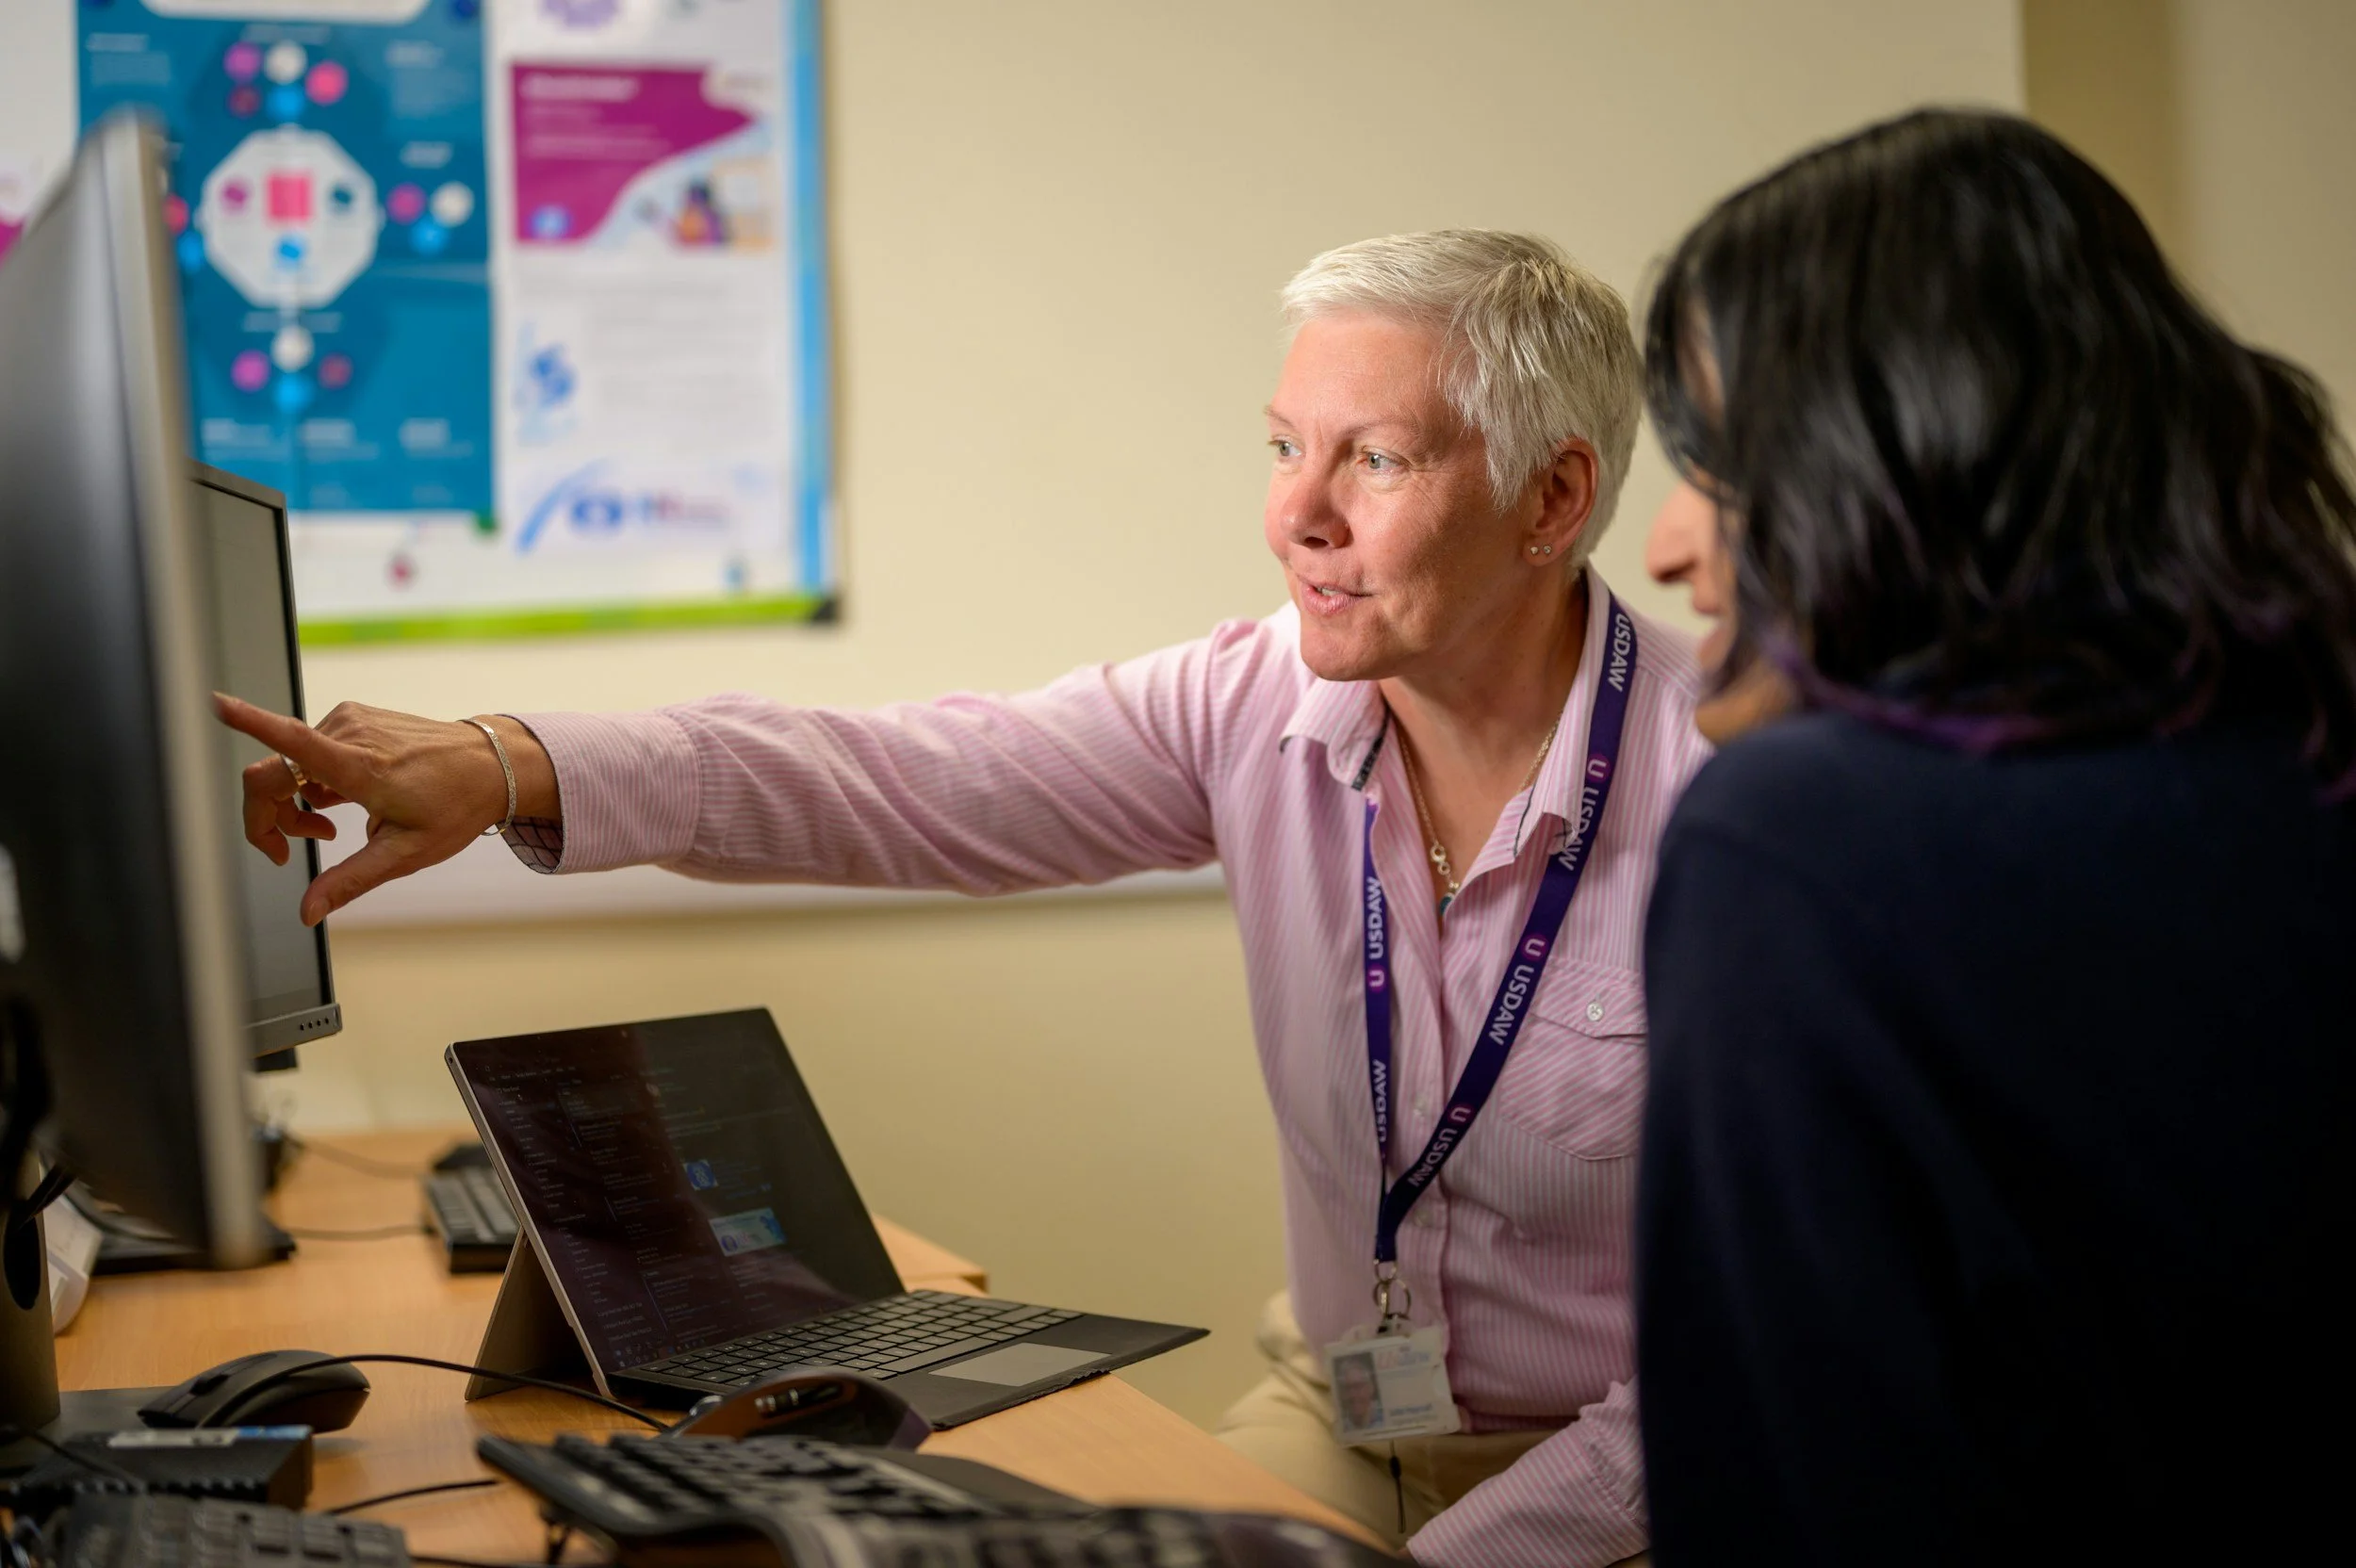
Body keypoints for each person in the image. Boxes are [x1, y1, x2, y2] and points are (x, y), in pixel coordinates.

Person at [221, 230, 1709, 1565]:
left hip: (1631, 1480)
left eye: (1373, 461)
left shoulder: (1734, 801)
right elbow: (902, 777)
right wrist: (510, 765)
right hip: (1347, 1408)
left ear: (1551, 497)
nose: (1296, 516)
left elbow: (1743, 1381)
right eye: (1278, 448)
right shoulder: (1246, 701)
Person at [1632, 109, 2356, 1565]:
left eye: (1718, 462)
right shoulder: (2308, 748)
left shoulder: (1800, 844)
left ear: (1901, 456)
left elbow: (1790, 1507)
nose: (1668, 542)